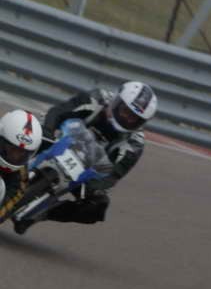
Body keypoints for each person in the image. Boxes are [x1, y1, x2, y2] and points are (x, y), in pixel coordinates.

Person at [13, 82, 157, 235]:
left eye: (134, 118)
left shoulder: (135, 144)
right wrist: (48, 130)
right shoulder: (97, 98)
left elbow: (114, 174)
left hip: (88, 172)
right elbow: (59, 111)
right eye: (125, 111)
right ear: (116, 101)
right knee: (23, 130)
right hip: (61, 138)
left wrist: (95, 187)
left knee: (97, 206)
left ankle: (43, 213)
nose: (127, 118)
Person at [0, 110, 42, 224]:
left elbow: (6, 207)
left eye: (22, 153)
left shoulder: (21, 177)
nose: (15, 156)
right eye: (11, 149)